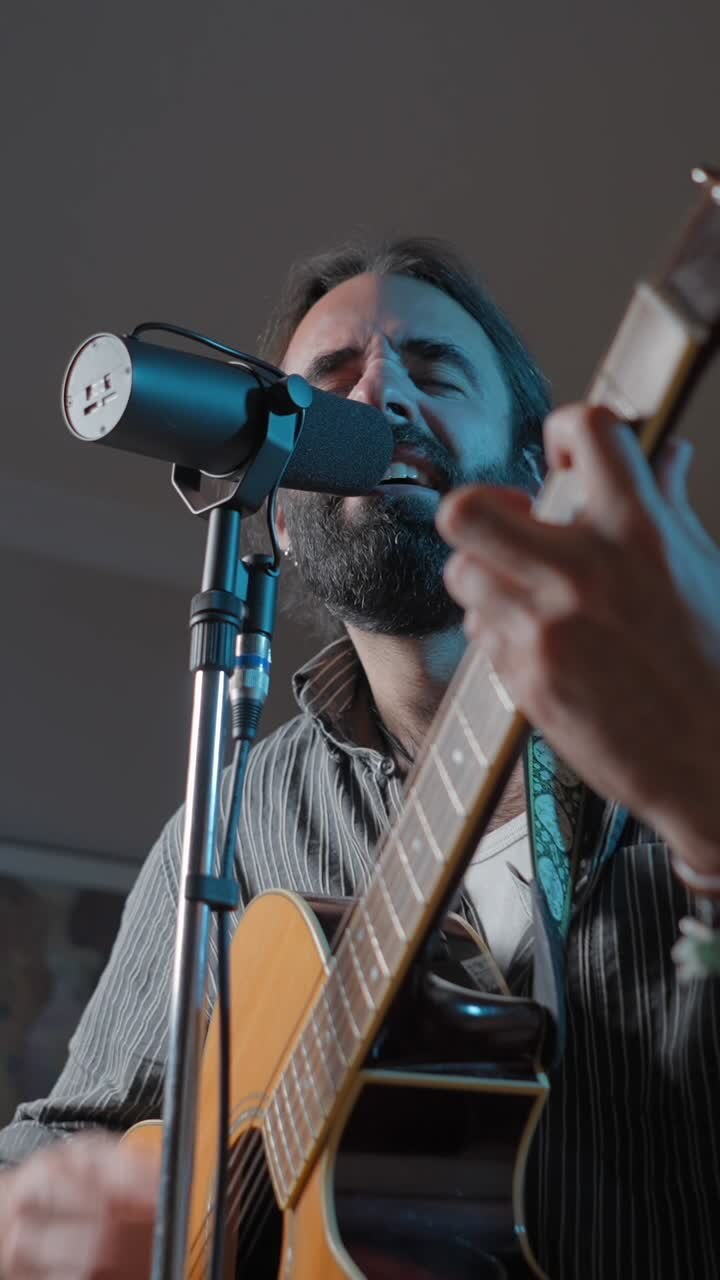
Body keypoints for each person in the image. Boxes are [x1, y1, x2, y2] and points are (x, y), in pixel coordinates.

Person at [1, 238, 719, 1280]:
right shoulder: (238, 810)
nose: (379, 395)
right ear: (281, 510)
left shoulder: (680, 690)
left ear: (530, 462)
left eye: (433, 370)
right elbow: (54, 1148)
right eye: (332, 381)